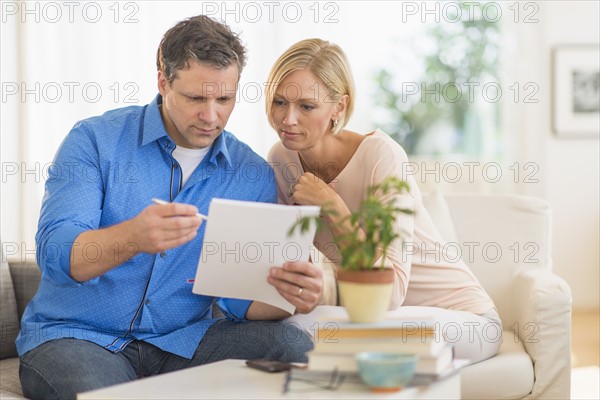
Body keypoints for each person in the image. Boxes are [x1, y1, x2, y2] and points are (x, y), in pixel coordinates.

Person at [17, 16, 323, 400]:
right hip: (79, 338)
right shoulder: (94, 140)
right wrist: (132, 237)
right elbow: (56, 254)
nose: (212, 116)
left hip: (181, 344)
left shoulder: (251, 174)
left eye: (224, 99)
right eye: (197, 98)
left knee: (293, 348)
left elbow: (238, 302)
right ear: (163, 82)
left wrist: (289, 298)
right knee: (102, 391)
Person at [265, 38, 502, 363]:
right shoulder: (281, 159)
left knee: (304, 338)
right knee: (287, 330)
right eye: (279, 102)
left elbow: (390, 295)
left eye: (306, 106)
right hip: (370, 316)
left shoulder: (382, 155)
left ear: (339, 107)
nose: (288, 119)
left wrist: (331, 205)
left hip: (462, 318)